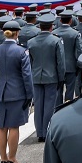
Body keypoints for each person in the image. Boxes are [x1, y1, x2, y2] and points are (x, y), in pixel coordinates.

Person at [0, 21, 33, 163]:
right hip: (17, 92)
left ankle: (3, 159)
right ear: (17, 33)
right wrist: (30, 95)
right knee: (14, 126)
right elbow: (27, 76)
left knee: (1, 127)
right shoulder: (21, 51)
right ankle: (12, 158)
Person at [28, 14, 66, 142]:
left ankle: (40, 132)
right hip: (52, 76)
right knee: (50, 104)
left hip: (36, 76)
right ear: (51, 26)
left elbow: (30, 61)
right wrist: (61, 78)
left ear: (39, 26)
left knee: (38, 105)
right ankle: (47, 130)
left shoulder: (31, 42)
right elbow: (60, 62)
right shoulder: (56, 41)